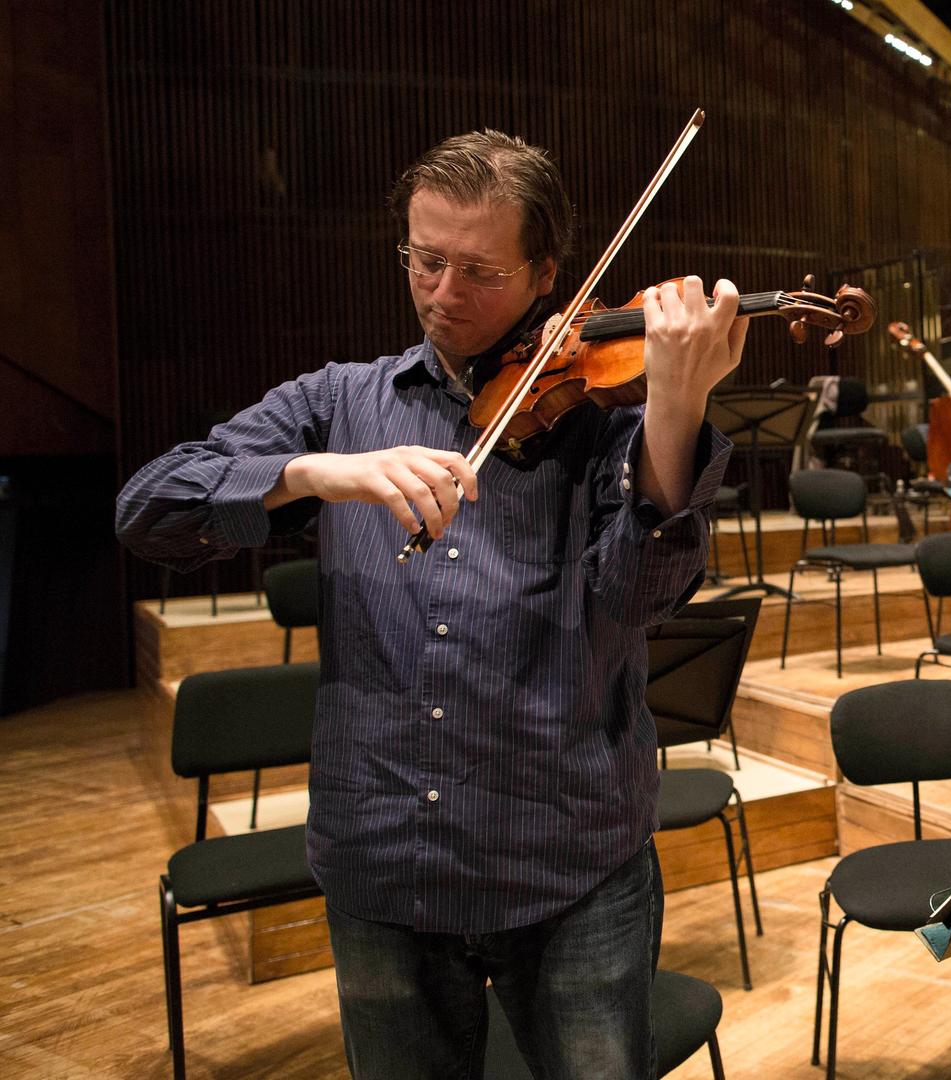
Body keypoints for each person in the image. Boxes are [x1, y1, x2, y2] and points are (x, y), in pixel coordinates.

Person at [117, 130, 744, 1077]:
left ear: (545, 277)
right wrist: (309, 473)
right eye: (425, 260)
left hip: (566, 855)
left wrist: (675, 408)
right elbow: (147, 510)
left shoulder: (602, 414)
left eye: (480, 271)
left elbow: (638, 596)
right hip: (384, 858)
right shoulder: (341, 402)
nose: (444, 295)